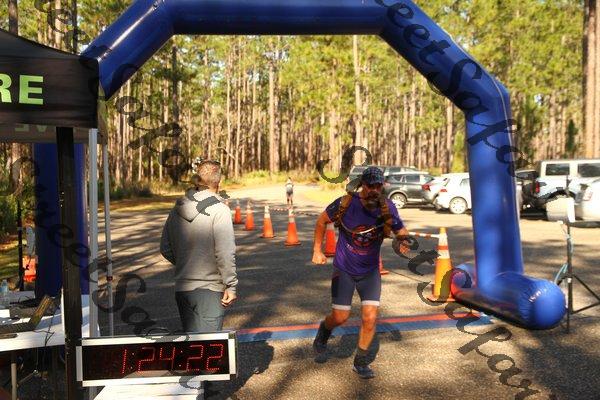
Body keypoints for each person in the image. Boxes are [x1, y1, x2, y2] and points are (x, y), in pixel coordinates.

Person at [311, 166, 410, 379]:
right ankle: (324, 330)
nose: (374, 189)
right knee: (340, 317)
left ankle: (361, 362)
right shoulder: (346, 204)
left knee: (370, 317)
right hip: (344, 269)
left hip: (370, 272)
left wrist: (404, 240)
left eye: (378, 185)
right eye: (370, 185)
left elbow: (400, 230)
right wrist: (317, 250)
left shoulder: (387, 207)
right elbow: (321, 221)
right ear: (362, 185)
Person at [160, 160, 238, 333]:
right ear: (218, 181)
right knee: (209, 346)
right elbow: (225, 253)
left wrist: (187, 263)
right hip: (209, 290)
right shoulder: (220, 210)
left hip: (183, 289)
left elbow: (165, 247)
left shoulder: (177, 209)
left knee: (193, 345)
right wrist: (230, 286)